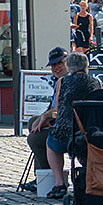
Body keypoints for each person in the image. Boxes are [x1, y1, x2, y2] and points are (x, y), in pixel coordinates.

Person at [45, 52, 100, 199]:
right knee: (85, 145)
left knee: (51, 144)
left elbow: (58, 108)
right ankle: (89, 179)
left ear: (69, 67)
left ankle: (59, 183)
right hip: (89, 133)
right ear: (86, 66)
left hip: (65, 132)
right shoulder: (96, 82)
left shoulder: (62, 81)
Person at [25, 47, 69, 180]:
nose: (55, 68)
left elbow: (62, 109)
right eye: (53, 65)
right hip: (61, 120)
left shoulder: (67, 81)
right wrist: (43, 118)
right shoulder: (59, 80)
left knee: (35, 138)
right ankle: (40, 174)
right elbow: (54, 107)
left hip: (69, 126)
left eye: (59, 63)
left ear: (68, 62)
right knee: (33, 123)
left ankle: (46, 176)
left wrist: (46, 118)